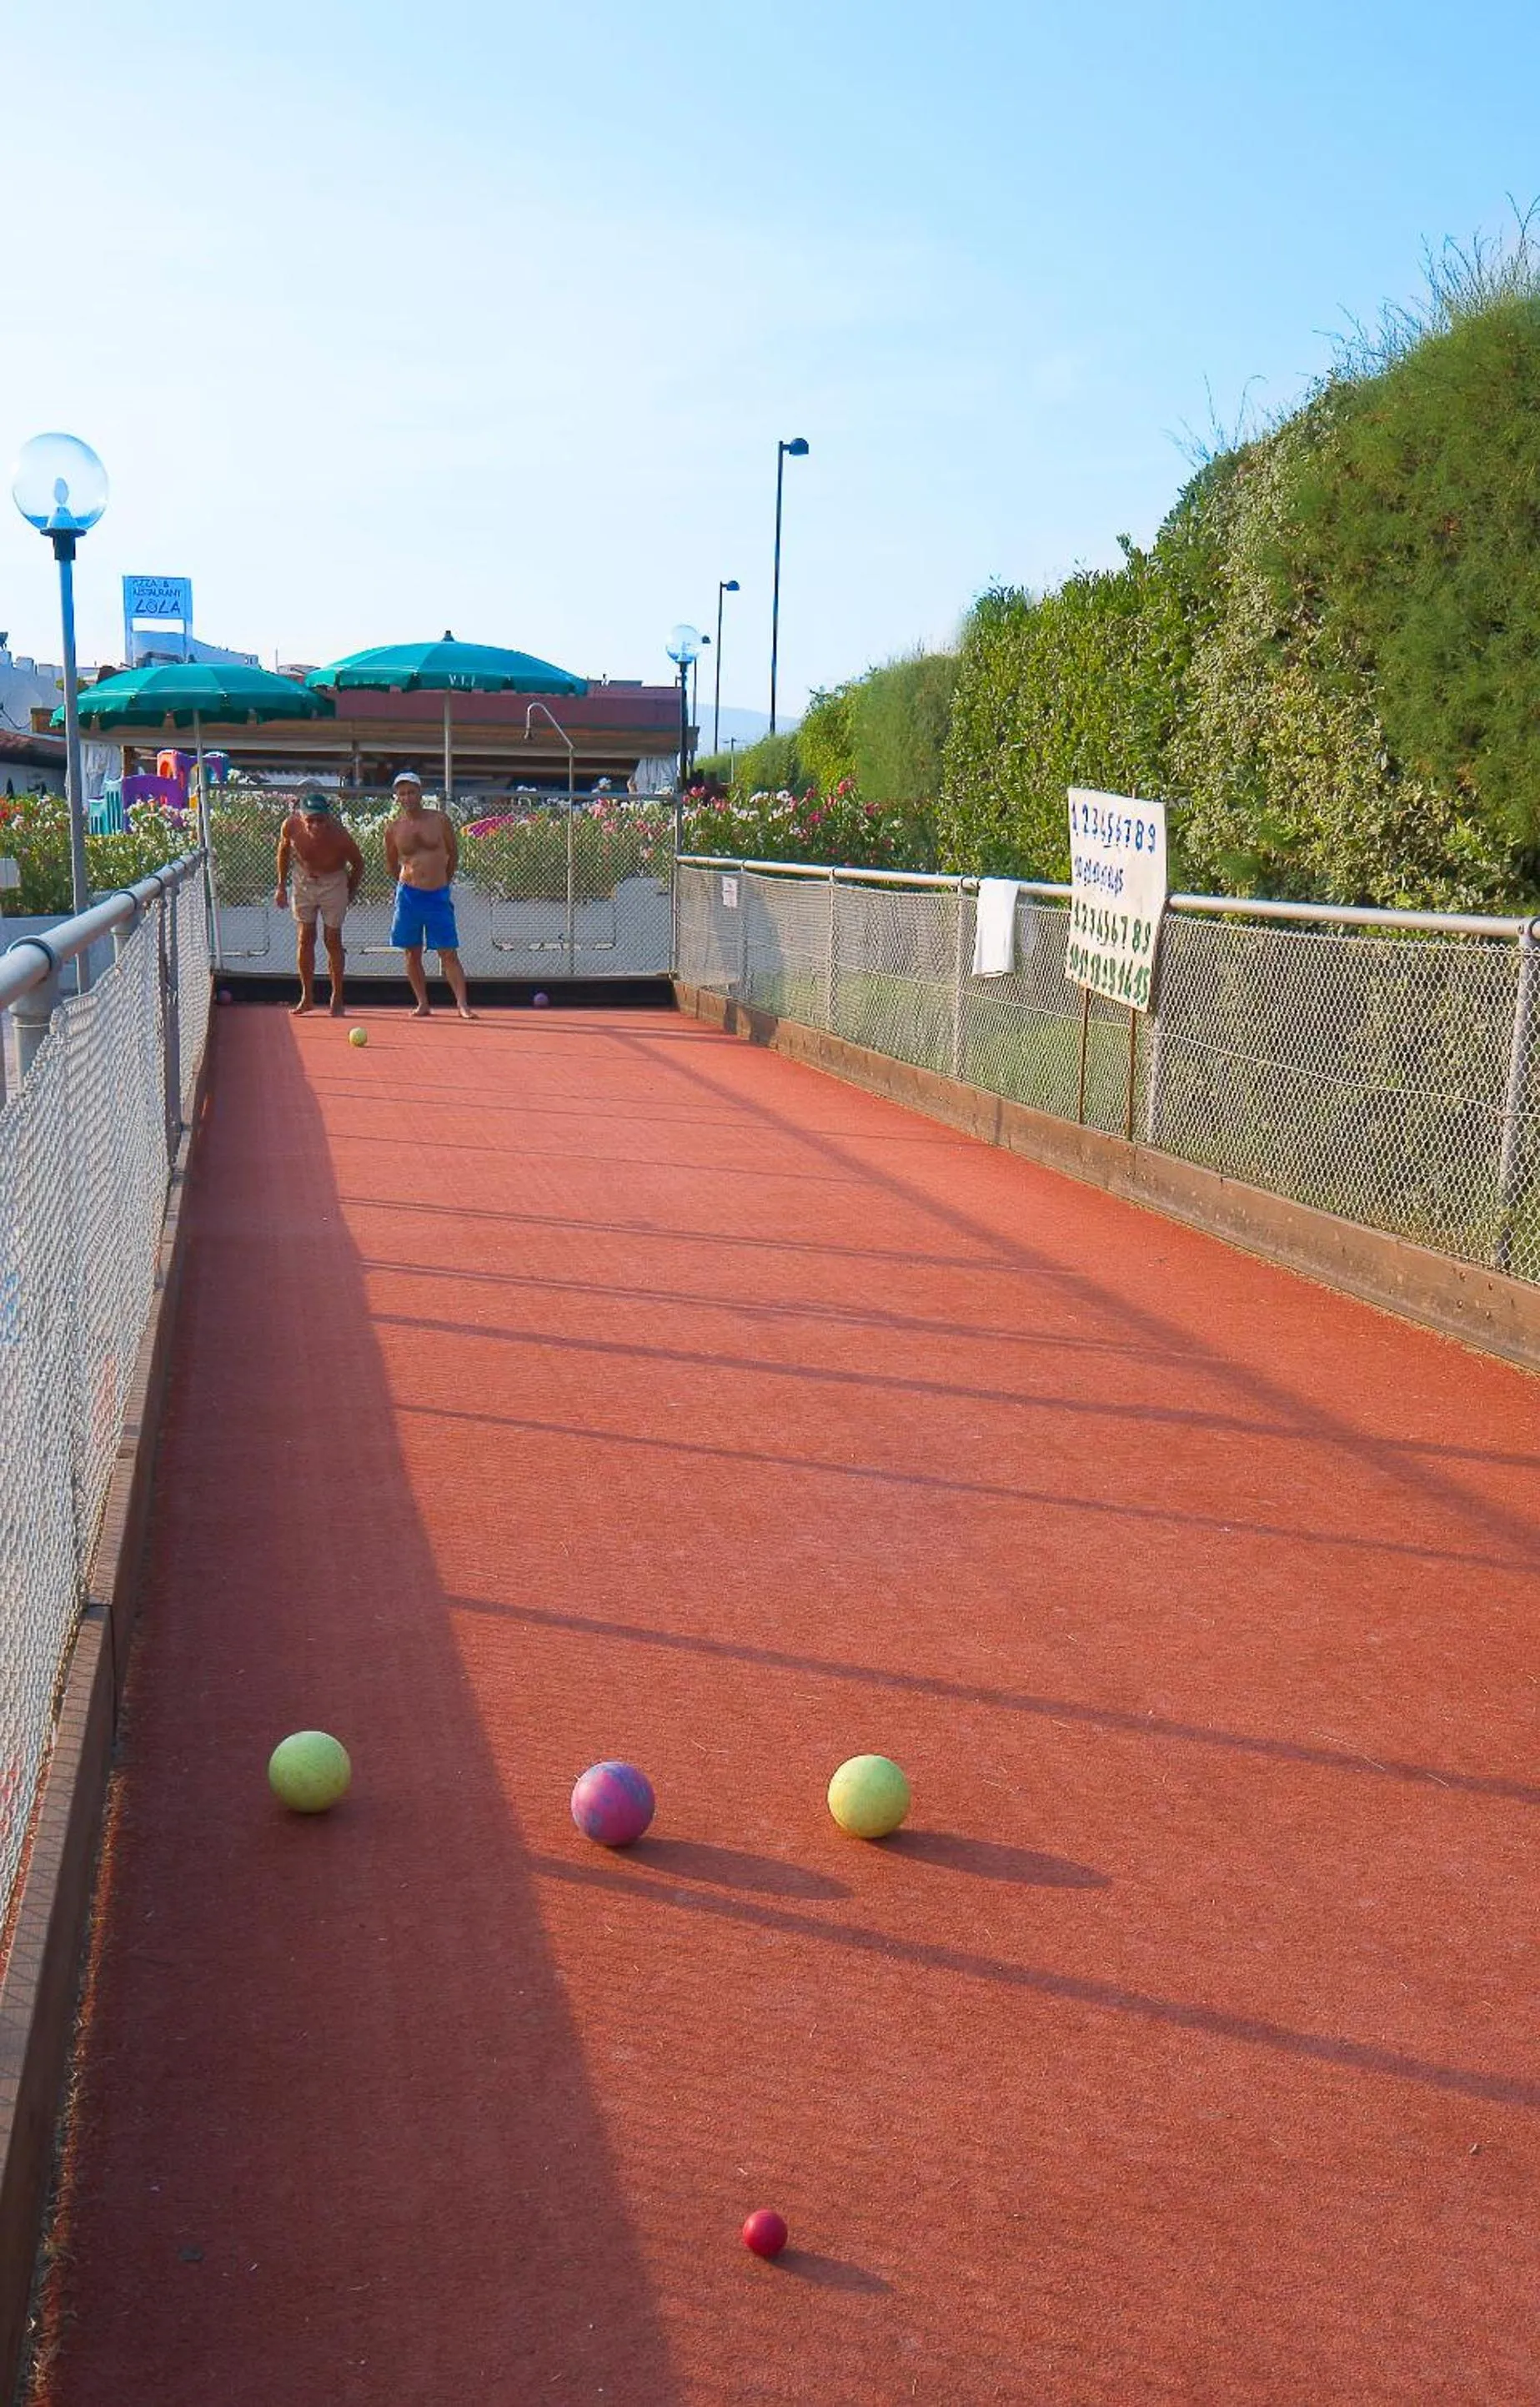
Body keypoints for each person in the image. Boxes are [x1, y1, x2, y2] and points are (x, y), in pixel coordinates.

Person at [384, 770, 477, 1019]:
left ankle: (462, 1005)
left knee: (448, 951)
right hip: (408, 896)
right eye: (402, 793)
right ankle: (422, 1003)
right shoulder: (394, 828)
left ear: (420, 792)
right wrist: (407, 882)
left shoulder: (440, 820)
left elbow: (453, 854)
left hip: (437, 895)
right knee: (411, 952)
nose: (407, 797)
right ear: (397, 797)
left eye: (411, 792)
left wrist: (443, 880)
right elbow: (392, 863)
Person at [274, 791, 365, 1017]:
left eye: (320, 821)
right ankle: (307, 996)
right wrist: (281, 886)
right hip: (303, 880)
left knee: (332, 939)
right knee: (305, 937)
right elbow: (283, 850)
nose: (315, 825)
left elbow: (358, 863)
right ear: (301, 817)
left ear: (328, 819)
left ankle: (337, 996)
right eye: (310, 821)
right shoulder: (291, 826)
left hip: (333, 882)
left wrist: (350, 890)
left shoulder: (340, 836)